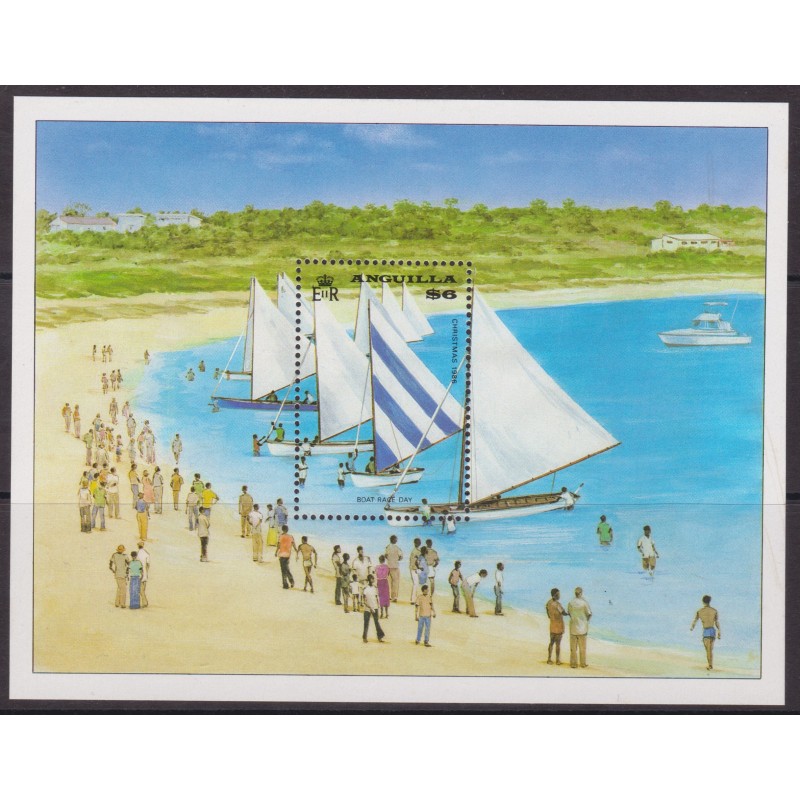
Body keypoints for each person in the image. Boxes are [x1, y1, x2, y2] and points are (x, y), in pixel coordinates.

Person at [691, 595, 721, 670]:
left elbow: (695, 620)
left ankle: (710, 665)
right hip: (712, 630)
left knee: (708, 650)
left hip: (706, 631)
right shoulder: (714, 611)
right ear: (709, 601)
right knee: (710, 649)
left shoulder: (700, 611)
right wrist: (719, 631)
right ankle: (710, 664)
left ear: (703, 602)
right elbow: (716, 622)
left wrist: (692, 627)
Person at [567, 587, 592, 668]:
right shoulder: (584, 603)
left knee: (573, 648)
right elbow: (589, 614)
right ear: (581, 593)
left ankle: (573, 664)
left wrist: (574, 618)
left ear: (575, 593)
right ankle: (582, 664)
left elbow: (569, 613)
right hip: (582, 628)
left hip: (573, 627)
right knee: (582, 648)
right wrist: (585, 621)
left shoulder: (571, 602)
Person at [362, 575, 387, 644]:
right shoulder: (365, 589)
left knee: (376, 622)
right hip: (367, 608)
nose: (372, 580)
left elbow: (376, 598)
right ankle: (364, 637)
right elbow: (364, 600)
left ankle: (380, 637)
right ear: (369, 580)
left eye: (373, 579)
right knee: (366, 623)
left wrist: (378, 606)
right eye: (371, 579)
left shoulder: (375, 588)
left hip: (375, 607)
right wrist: (370, 607)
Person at [546, 588, 568, 665]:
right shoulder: (558, 604)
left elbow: (547, 610)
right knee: (558, 644)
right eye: (558, 594)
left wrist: (549, 616)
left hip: (552, 625)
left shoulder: (548, 602)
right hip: (558, 626)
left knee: (551, 643)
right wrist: (569, 613)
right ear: (555, 595)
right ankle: (557, 660)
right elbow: (564, 613)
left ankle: (549, 659)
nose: (559, 596)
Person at [384, 535, 403, 603]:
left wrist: (390, 559)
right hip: (395, 566)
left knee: (389, 582)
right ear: (393, 540)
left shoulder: (387, 547)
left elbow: (386, 556)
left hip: (389, 566)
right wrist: (396, 559)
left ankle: (389, 596)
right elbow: (401, 557)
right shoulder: (397, 548)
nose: (396, 540)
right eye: (396, 539)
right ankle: (394, 597)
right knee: (395, 582)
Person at [137, 540, 151, 608]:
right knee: (143, 588)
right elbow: (148, 564)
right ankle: (144, 602)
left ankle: (144, 602)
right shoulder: (147, 553)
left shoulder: (137, 554)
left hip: (139, 572)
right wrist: (146, 572)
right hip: (145, 572)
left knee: (140, 589)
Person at [409, 538, 422, 603]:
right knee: (416, 584)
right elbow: (417, 562)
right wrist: (420, 567)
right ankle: (413, 599)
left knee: (416, 584)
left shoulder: (414, 551)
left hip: (413, 568)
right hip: (415, 569)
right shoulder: (417, 551)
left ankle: (414, 599)